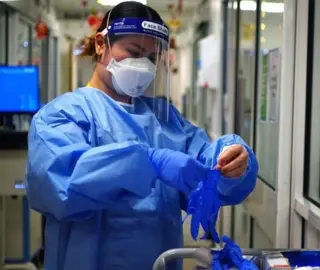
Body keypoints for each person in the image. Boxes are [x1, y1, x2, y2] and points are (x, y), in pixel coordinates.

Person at [25, 2, 258, 270]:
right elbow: (61, 184)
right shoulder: (61, 115)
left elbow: (205, 164)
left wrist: (232, 159)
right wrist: (146, 162)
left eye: (150, 58)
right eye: (134, 52)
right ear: (102, 44)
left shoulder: (164, 119)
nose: (142, 65)